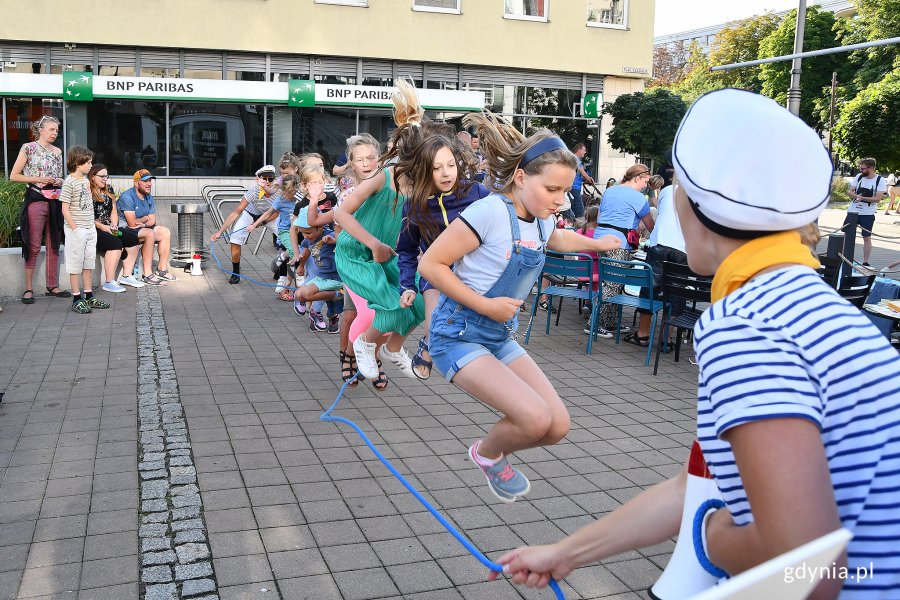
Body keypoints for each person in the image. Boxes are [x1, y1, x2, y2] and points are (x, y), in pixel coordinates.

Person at [490, 89, 900, 600]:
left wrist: (708, 538)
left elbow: (809, 566)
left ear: (692, 204)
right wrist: (564, 554)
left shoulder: (747, 326)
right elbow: (696, 489)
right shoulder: (810, 304)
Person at [418, 114, 621, 503]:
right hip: (457, 334)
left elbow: (555, 238)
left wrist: (597, 245)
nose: (561, 199)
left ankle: (494, 452)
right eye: (553, 189)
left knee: (557, 425)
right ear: (521, 178)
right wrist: (486, 305)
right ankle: (488, 454)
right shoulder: (488, 212)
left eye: (566, 190)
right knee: (534, 418)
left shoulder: (543, 219)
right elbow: (431, 265)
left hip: (498, 334)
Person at [334, 81, 427, 389]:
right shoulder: (382, 178)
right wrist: (372, 242)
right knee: (390, 304)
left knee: (418, 304)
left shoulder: (420, 190)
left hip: (388, 257)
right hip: (355, 254)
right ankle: (363, 344)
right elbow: (340, 213)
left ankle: (393, 348)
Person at [396, 133, 490, 380]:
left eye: (450, 165)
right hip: (436, 275)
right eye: (437, 168)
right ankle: (428, 342)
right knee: (435, 325)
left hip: (475, 273)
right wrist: (406, 285)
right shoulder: (415, 205)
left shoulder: (477, 193)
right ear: (425, 171)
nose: (446, 173)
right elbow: (406, 249)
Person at [333, 133, 381, 387]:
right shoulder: (348, 194)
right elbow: (340, 229)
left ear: (379, 159)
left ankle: (369, 356)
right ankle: (348, 357)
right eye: (359, 159)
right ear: (351, 163)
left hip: (381, 262)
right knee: (355, 314)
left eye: (371, 158)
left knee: (382, 313)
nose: (365, 163)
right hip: (355, 262)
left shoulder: (386, 190)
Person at [590, 165, 655, 337]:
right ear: (637, 178)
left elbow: (600, 215)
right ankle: (594, 323)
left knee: (610, 281)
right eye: (645, 182)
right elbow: (650, 225)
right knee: (613, 284)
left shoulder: (610, 191)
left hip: (600, 238)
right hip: (618, 242)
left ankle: (609, 322)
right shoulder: (638, 197)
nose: (645, 186)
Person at [10, 114, 68, 304]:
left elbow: (60, 177)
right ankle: (28, 289)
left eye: (57, 130)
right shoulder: (28, 148)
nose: (55, 133)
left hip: (54, 201)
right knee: (33, 244)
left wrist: (58, 180)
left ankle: (52, 286)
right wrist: (39, 179)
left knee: (54, 243)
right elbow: (14, 176)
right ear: (41, 130)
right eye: (51, 129)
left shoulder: (58, 151)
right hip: (35, 198)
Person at [624, 183, 688, 347]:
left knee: (650, 289)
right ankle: (666, 339)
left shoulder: (668, 190)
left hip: (660, 244)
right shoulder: (703, 195)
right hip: (683, 249)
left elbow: (663, 211)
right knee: (676, 293)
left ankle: (643, 334)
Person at [59, 147, 110, 314]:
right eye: (88, 162)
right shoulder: (69, 182)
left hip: (89, 229)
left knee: (88, 264)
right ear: (77, 163)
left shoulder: (85, 181)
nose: (91, 165)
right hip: (77, 230)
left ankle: (88, 296)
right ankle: (76, 298)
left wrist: (90, 227)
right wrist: (75, 229)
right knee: (75, 265)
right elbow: (65, 209)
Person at [210, 165, 280, 284]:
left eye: (271, 179)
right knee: (235, 239)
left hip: (270, 216)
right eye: (264, 179)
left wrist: (261, 222)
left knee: (286, 239)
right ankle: (235, 272)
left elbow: (277, 212)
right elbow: (237, 211)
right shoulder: (254, 190)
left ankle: (280, 268)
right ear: (258, 179)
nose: (267, 182)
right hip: (251, 214)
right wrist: (220, 232)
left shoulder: (277, 191)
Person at [88, 164, 145, 292]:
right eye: (101, 176)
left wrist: (114, 224)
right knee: (115, 243)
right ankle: (109, 282)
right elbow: (88, 216)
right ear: (92, 177)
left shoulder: (109, 189)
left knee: (132, 238)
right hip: (94, 228)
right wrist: (104, 227)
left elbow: (113, 211)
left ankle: (127, 275)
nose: (105, 179)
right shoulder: (88, 191)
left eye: (106, 176)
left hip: (109, 226)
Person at [117, 169, 176, 285]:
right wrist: (145, 219)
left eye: (150, 180)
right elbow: (132, 224)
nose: (149, 184)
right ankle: (147, 274)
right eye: (145, 181)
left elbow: (152, 220)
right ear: (136, 183)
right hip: (124, 230)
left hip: (140, 228)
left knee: (165, 232)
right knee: (149, 234)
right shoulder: (127, 197)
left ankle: (161, 270)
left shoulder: (149, 197)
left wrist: (143, 223)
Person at [247, 174, 301, 301]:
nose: (292, 195)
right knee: (294, 252)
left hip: (299, 231)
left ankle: (283, 261)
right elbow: (268, 213)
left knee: (299, 255)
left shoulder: (299, 198)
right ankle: (286, 262)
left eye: (294, 192)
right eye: (289, 192)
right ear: (283, 190)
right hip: (285, 232)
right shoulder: (280, 200)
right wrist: (254, 224)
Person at [292, 206, 342, 333]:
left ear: (320, 227)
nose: (305, 236)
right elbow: (307, 251)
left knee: (311, 296)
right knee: (298, 294)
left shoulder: (329, 235)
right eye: (302, 233)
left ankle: (338, 296)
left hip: (335, 277)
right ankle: (319, 308)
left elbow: (344, 242)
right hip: (322, 276)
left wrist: (334, 240)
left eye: (308, 233)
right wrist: (301, 265)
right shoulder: (308, 240)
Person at [846, 158, 886, 267]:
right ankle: (843, 257)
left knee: (866, 237)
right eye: (860, 168)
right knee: (846, 235)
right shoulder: (859, 176)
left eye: (862, 168)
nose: (860, 170)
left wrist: (863, 198)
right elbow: (850, 191)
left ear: (871, 168)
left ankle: (865, 262)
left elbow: (878, 198)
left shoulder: (880, 180)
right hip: (853, 211)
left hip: (867, 213)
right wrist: (855, 196)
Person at [569, 143, 594, 220]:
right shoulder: (576, 159)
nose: (585, 152)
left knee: (574, 210)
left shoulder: (572, 158)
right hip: (574, 188)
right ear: (579, 150)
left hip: (572, 187)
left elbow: (579, 175)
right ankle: (580, 229)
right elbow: (583, 174)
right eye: (584, 150)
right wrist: (590, 180)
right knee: (580, 212)